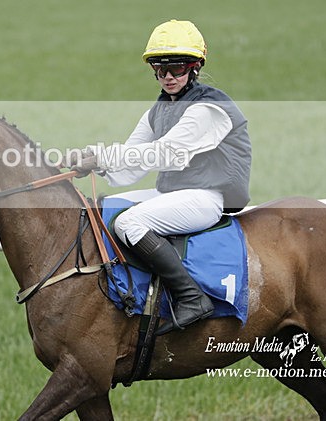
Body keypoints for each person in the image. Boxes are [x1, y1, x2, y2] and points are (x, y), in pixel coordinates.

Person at [71, 19, 252, 335]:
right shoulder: (158, 110)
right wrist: (92, 162)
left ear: (194, 67)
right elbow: (131, 164)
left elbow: (165, 153)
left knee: (128, 224)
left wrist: (100, 155)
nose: (168, 76)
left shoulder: (209, 108)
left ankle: (191, 297)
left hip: (209, 197)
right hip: (176, 193)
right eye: (159, 68)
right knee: (107, 207)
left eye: (176, 68)